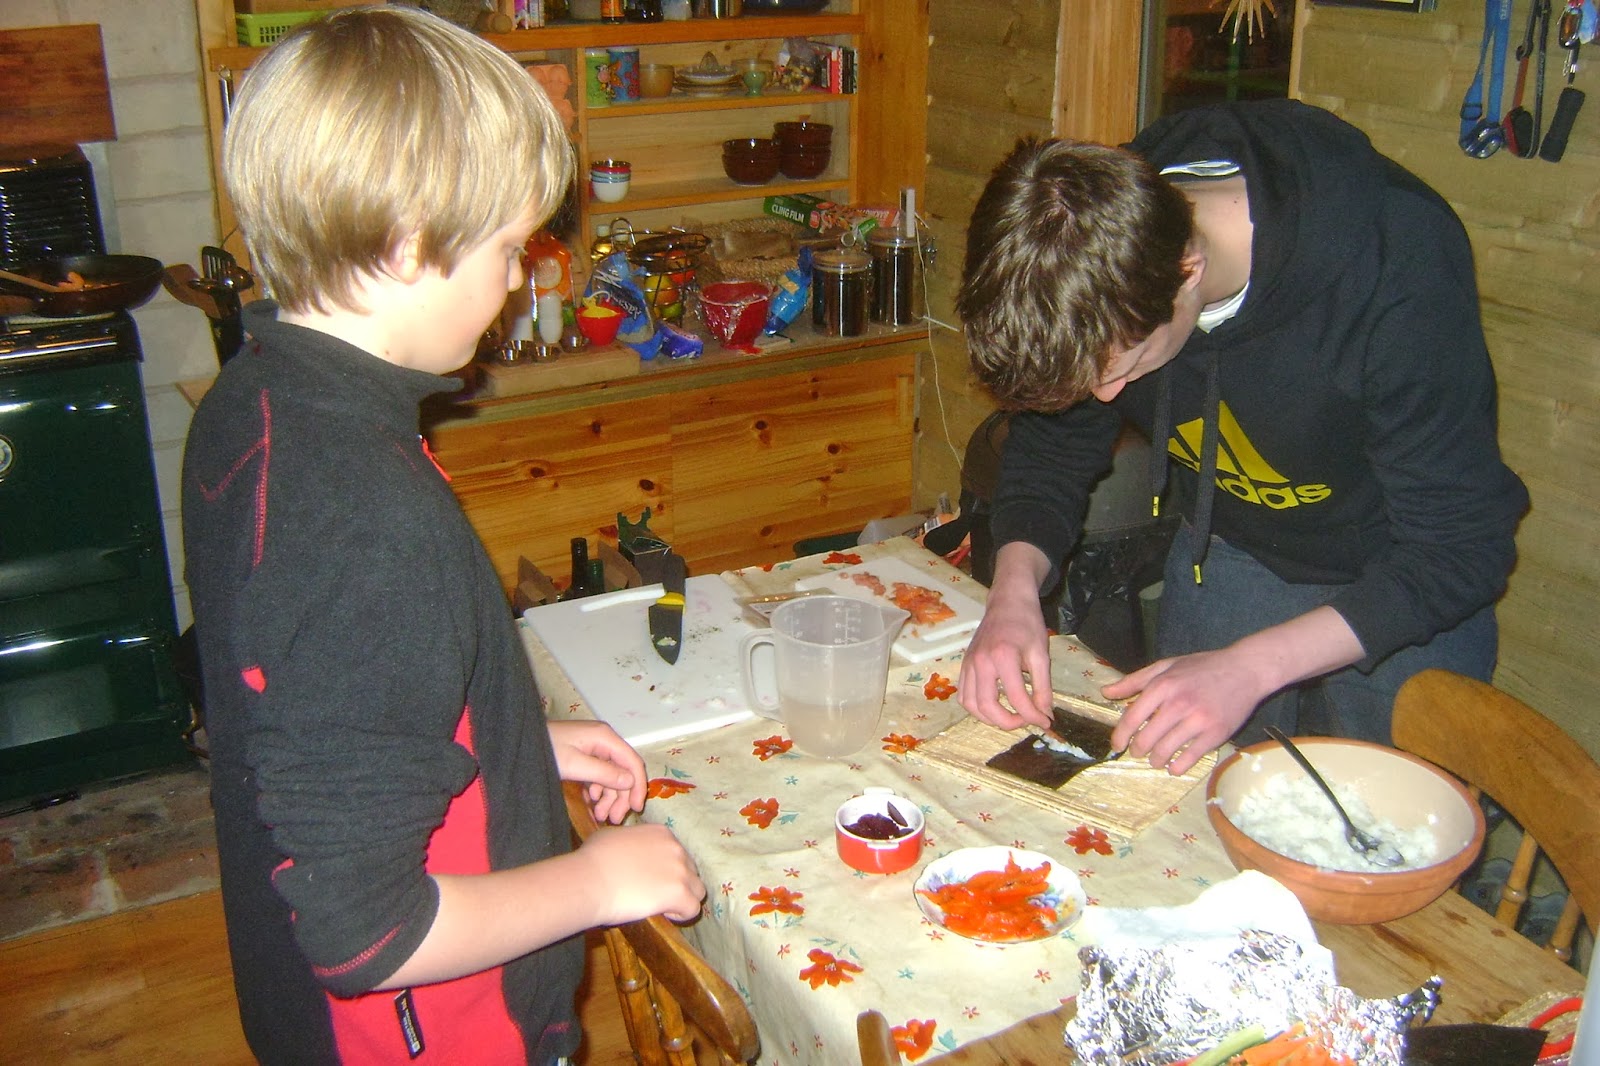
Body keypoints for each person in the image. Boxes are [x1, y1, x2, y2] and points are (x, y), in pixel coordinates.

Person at [182, 9, 704, 1063]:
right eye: (508, 248)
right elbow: (367, 933)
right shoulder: (364, 517)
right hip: (429, 1036)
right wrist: (595, 881)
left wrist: (508, 743)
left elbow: (322, 703)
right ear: (407, 242)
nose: (516, 280)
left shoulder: (259, 403)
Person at [954, 99, 1528, 777]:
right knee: (1186, 796)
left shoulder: (1398, 264)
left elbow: (1461, 548)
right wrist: (1013, 592)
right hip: (1232, 547)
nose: (1107, 400)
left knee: (1390, 821)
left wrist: (1251, 667)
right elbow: (1053, 445)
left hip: (1403, 571)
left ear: (1188, 271)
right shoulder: (1098, 236)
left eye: (1121, 370)